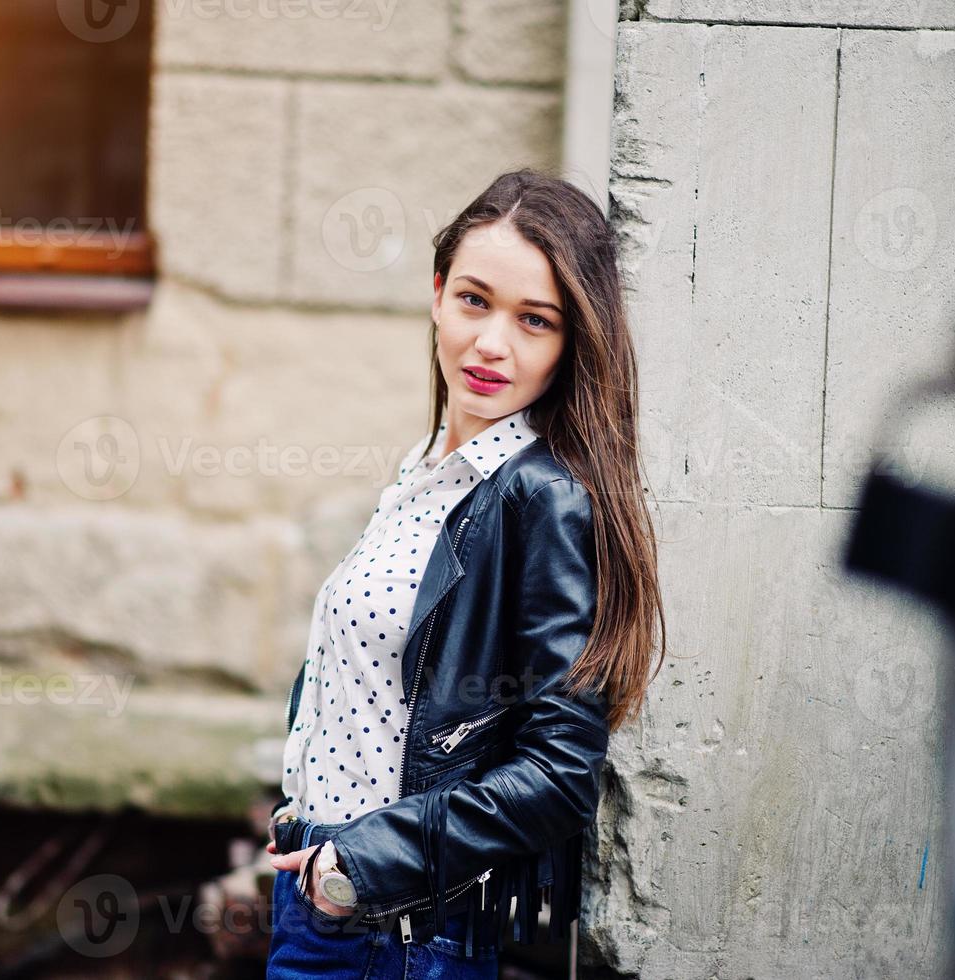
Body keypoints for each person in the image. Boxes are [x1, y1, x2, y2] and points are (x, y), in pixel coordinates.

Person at [262, 168, 666, 978]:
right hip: (322, 892)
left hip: (396, 925)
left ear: (571, 341)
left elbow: (558, 771)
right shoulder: (429, 470)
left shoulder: (541, 498)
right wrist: (297, 825)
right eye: (475, 301)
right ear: (438, 292)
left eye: (534, 321)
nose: (491, 344)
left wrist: (357, 867)